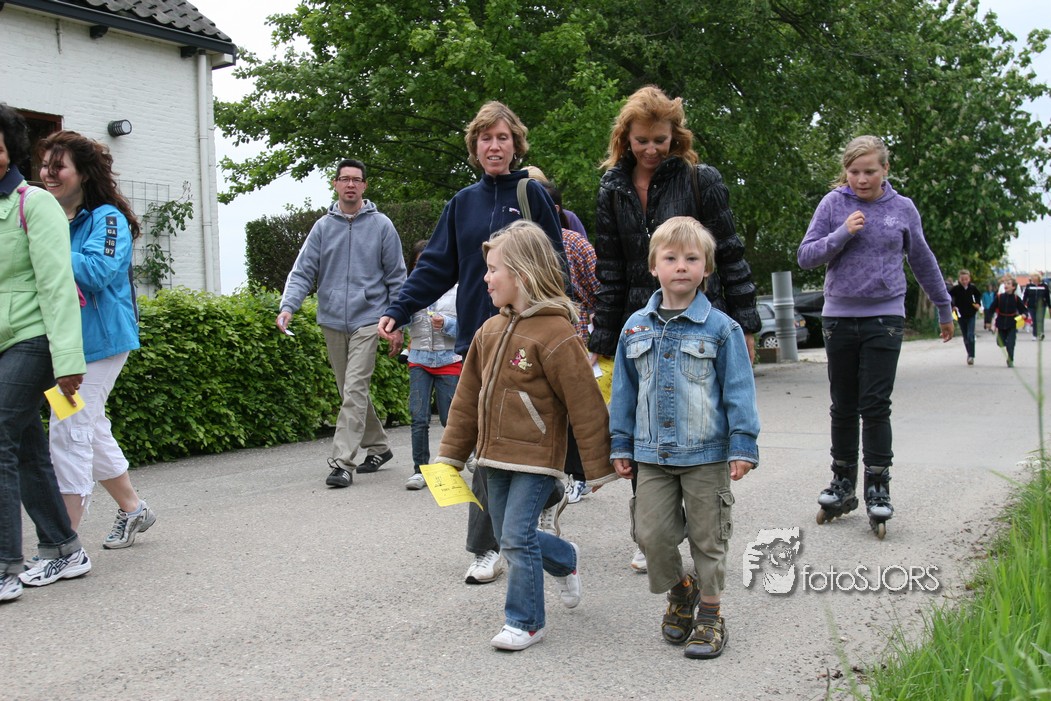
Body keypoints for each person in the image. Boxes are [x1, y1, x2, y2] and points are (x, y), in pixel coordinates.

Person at [378, 101, 566, 585]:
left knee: (531, 430)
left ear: (516, 144)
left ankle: (545, 497)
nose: (494, 146)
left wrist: (554, 322)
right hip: (479, 343)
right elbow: (435, 267)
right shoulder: (461, 203)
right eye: (486, 138)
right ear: (475, 147)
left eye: (502, 137)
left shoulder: (531, 195)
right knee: (485, 440)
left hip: (528, 338)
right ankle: (486, 546)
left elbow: (556, 264)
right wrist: (398, 309)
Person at [589, 85, 761, 573]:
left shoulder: (701, 180)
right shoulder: (612, 188)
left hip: (702, 323)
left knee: (694, 417)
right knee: (644, 420)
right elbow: (610, 269)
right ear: (625, 139)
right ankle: (653, 529)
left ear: (675, 136)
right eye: (641, 140)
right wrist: (602, 338)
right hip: (639, 323)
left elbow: (729, 253)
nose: (651, 150)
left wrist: (746, 324)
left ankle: (702, 520)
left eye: (660, 140)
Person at [435, 220, 613, 651]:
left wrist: (599, 467)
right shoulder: (488, 331)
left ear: (522, 273)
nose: (486, 278)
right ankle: (565, 557)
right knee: (508, 536)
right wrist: (450, 456)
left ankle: (525, 621)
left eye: (493, 269)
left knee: (515, 536)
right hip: (492, 457)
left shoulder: (557, 334)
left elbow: (585, 404)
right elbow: (466, 399)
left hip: (537, 458)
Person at [610, 216, 759, 660]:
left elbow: (739, 391)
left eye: (691, 259)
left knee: (708, 538)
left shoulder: (722, 329)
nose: (681, 266)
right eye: (671, 258)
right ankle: (681, 589)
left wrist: (742, 444)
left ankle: (710, 615)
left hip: (706, 455)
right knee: (650, 534)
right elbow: (623, 391)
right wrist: (620, 443)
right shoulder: (635, 327)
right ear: (653, 266)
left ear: (706, 268)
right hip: (651, 454)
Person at [798, 135, 953, 540]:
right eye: (854, 172)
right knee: (843, 405)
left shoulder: (902, 209)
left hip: (885, 316)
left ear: (885, 169)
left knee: (875, 405)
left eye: (869, 171)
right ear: (845, 171)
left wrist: (943, 306)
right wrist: (842, 233)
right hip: (838, 317)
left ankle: (878, 487)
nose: (861, 179)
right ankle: (842, 482)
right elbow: (806, 255)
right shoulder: (833, 204)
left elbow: (922, 258)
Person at [37, 131, 156, 549]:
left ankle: (64, 541)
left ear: (83, 174)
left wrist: (43, 243)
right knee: (91, 425)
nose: (48, 175)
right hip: (64, 345)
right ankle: (133, 508)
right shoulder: (52, 219)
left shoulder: (107, 218)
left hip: (101, 344)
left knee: (68, 427)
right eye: (45, 166)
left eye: (59, 167)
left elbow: (95, 271)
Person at [0, 104, 89, 600]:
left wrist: (68, 361)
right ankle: (64, 546)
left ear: (9, 147)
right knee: (28, 448)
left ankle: (4, 564)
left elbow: (57, 286)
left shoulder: (33, 204)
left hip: (32, 337)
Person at [277, 159, 406, 487]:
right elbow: (303, 270)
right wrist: (288, 306)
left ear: (364, 186)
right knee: (348, 390)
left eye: (356, 180)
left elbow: (397, 277)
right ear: (335, 184)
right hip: (332, 319)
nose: (350, 184)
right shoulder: (323, 227)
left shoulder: (382, 225)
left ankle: (342, 463)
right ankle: (379, 446)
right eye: (344, 179)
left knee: (355, 387)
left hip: (370, 318)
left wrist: (398, 322)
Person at [539, 179, 600, 504]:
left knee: (575, 409)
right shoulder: (524, 245)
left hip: (575, 336)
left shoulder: (575, 243)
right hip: (536, 340)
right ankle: (547, 478)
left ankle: (580, 476)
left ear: (554, 209)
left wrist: (597, 339)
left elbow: (600, 289)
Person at [403, 240, 460, 491]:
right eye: (418, 264)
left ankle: (454, 462)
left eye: (429, 262)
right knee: (419, 417)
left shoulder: (458, 289)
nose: (423, 268)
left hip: (450, 360)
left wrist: (446, 323)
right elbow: (399, 320)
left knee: (451, 419)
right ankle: (420, 470)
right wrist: (398, 319)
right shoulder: (409, 290)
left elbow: (467, 329)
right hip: (419, 359)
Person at [990, 276, 1027, 367]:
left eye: (1008, 284)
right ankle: (1006, 343)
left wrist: (1024, 314)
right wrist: (987, 321)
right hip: (1001, 322)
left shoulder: (1016, 298)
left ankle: (1010, 359)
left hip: (1012, 323)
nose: (1006, 285)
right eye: (1005, 284)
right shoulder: (999, 297)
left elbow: (1023, 309)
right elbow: (991, 309)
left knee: (1011, 343)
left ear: (1013, 287)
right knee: (1000, 343)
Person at [949, 269, 981, 365]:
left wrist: (977, 304)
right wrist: (952, 306)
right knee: (966, 336)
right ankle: (969, 353)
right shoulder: (956, 289)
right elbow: (948, 297)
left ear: (969, 279)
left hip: (971, 314)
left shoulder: (972, 288)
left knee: (970, 335)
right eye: (962, 279)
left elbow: (978, 295)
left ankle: (971, 356)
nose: (964, 281)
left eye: (966, 279)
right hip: (960, 315)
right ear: (959, 279)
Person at [1022, 272, 1049, 341]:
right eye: (1032, 277)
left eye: (1035, 277)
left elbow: (1047, 297)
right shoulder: (1029, 286)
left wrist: (1049, 306)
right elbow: (1025, 296)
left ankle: (1041, 334)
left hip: (1041, 306)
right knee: (1034, 320)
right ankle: (1035, 334)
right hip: (1031, 306)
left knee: (1040, 320)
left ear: (1038, 278)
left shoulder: (1044, 286)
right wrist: (1022, 305)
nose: (1033, 278)